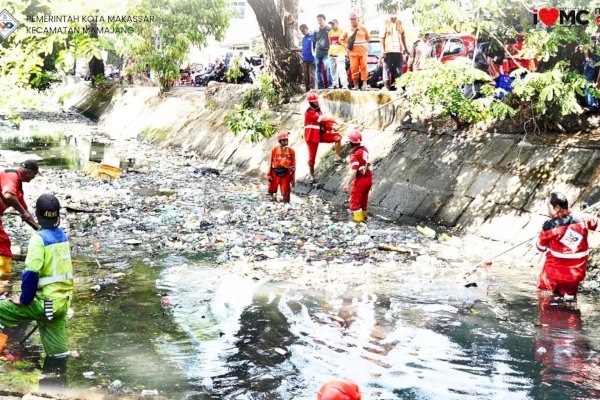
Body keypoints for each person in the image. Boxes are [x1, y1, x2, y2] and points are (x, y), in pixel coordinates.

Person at [0, 194, 74, 358]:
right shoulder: (62, 236)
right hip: (61, 304)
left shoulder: (38, 239)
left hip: (45, 303)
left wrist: (24, 300)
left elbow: (31, 274)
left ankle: (3, 348)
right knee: (59, 354)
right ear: (57, 216)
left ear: (37, 214)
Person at [535, 192, 600, 298]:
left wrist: (540, 234)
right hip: (575, 275)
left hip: (552, 276)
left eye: (548, 206)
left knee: (545, 300)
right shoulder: (583, 218)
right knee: (569, 304)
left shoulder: (548, 226)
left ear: (556, 208)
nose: (547, 209)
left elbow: (540, 248)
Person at [0, 160, 41, 275]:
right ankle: (4, 280)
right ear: (30, 171)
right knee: (3, 245)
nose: (34, 178)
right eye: (35, 174)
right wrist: (23, 212)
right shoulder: (11, 176)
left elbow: (26, 214)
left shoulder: (17, 187)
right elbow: (8, 195)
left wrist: (40, 231)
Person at [304, 91, 343, 183]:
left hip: (320, 134)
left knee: (337, 137)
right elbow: (321, 119)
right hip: (311, 137)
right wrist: (335, 121)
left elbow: (323, 123)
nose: (317, 102)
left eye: (317, 101)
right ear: (311, 102)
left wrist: (332, 126)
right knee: (312, 157)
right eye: (315, 101)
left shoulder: (318, 110)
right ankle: (311, 175)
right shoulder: (309, 112)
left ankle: (337, 157)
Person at [346, 129, 372, 223]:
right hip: (368, 179)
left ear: (350, 142)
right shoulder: (364, 149)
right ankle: (365, 220)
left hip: (360, 181)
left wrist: (347, 184)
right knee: (363, 203)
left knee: (355, 204)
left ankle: (359, 224)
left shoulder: (354, 154)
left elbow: (354, 169)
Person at [340, 11, 370, 90]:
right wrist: (346, 46)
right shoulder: (347, 29)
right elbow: (341, 39)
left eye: (354, 19)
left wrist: (364, 46)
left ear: (358, 19)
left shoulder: (363, 28)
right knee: (354, 68)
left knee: (364, 67)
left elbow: (368, 38)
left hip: (362, 52)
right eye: (351, 19)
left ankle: (364, 84)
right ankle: (356, 85)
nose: (353, 21)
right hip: (353, 53)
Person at [381, 6, 408, 90]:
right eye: (392, 16)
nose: (394, 18)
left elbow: (403, 37)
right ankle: (386, 86)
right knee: (386, 68)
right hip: (388, 51)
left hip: (398, 51)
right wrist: (382, 51)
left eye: (395, 16)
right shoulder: (385, 23)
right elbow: (382, 38)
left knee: (398, 69)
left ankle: (399, 86)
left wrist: (406, 49)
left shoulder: (400, 23)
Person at [267, 131, 296, 203]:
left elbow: (293, 165)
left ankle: (285, 202)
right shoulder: (274, 150)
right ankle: (273, 202)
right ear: (280, 141)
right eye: (284, 140)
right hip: (275, 172)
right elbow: (270, 163)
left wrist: (292, 179)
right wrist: (269, 175)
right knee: (272, 190)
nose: (286, 142)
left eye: (287, 140)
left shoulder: (291, 151)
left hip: (286, 173)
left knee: (286, 193)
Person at [294, 24, 316, 92]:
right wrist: (295, 49)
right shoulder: (304, 39)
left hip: (312, 60)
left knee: (312, 75)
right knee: (306, 77)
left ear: (307, 28)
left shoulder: (313, 36)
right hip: (305, 60)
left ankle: (312, 90)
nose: (302, 32)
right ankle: (307, 91)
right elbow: (303, 49)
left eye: (303, 30)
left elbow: (317, 47)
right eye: (301, 31)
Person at [328, 19, 349, 89]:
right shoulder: (330, 32)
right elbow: (330, 43)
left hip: (340, 53)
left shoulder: (342, 31)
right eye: (331, 24)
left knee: (341, 69)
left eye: (333, 24)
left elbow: (346, 42)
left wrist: (346, 50)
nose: (332, 25)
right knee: (332, 70)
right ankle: (335, 84)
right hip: (331, 53)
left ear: (337, 23)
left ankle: (344, 85)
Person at [314, 14, 333, 89]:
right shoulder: (316, 31)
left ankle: (330, 84)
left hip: (327, 52)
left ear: (324, 20)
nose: (319, 21)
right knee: (318, 70)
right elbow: (315, 41)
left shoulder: (329, 29)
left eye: (320, 20)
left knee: (328, 67)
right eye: (318, 20)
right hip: (318, 53)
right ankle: (320, 85)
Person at [583, 32, 600, 112]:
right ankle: (592, 105)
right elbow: (586, 44)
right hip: (592, 58)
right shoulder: (593, 31)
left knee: (598, 82)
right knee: (587, 80)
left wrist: (598, 81)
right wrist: (587, 58)